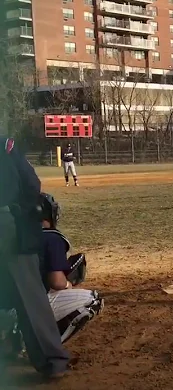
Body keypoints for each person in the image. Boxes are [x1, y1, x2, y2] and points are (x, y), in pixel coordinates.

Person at [0, 137, 72, 379]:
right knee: (29, 295)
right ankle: (52, 362)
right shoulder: (4, 144)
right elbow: (31, 184)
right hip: (6, 224)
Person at [39, 192, 104, 343]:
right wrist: (68, 284)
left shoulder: (10, 235)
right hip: (25, 308)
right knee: (93, 301)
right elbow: (57, 282)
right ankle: (45, 347)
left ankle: (13, 339)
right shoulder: (52, 238)